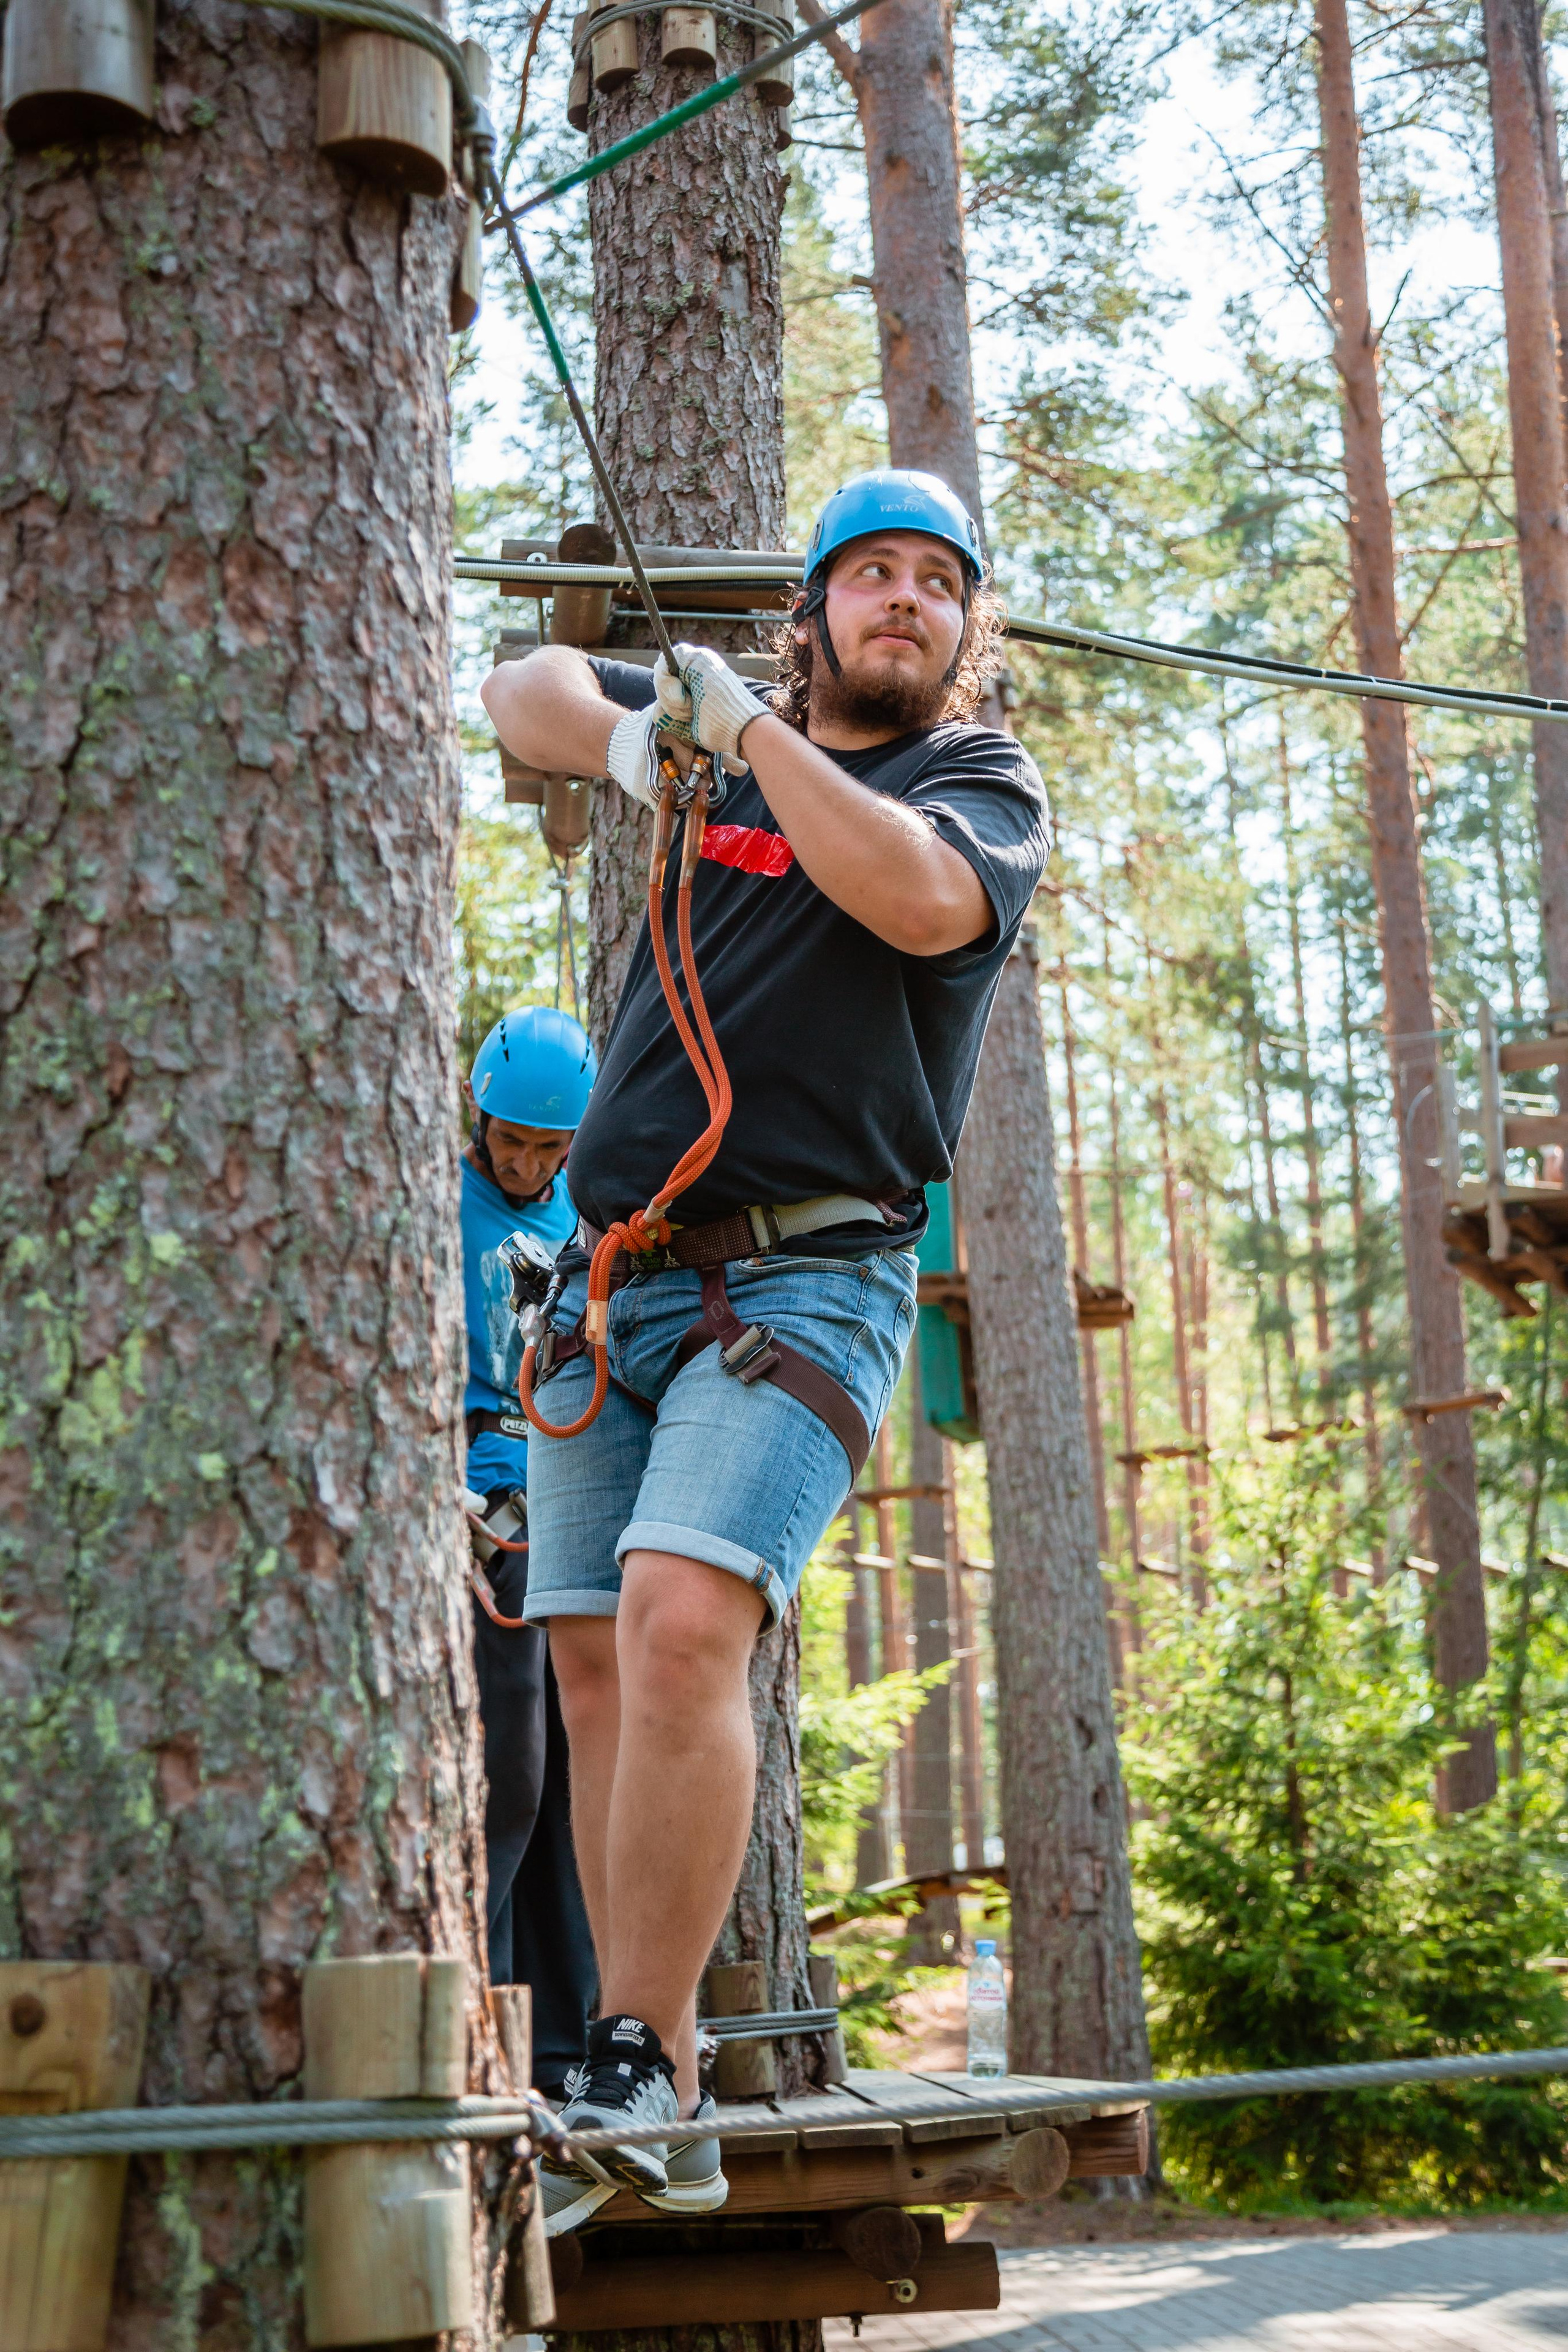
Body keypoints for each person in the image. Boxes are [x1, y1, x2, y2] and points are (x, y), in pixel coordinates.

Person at [480, 469, 1051, 2230]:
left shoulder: (971, 787)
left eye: (932, 587)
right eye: (867, 577)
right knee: (592, 1673)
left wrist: (747, 738)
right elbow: (516, 691)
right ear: (812, 614)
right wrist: (653, 739)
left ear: (961, 637)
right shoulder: (719, 744)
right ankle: (635, 2079)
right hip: (612, 1278)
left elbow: (918, 905)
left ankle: (646, 2053)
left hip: (804, 1284)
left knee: (680, 1620)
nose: (900, 604)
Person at [461, 1005, 599, 2103]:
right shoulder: (436, 1204)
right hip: (481, 1515)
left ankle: (565, 2048)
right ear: (480, 1112)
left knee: (567, 1789)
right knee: (510, 1777)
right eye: (514, 1140)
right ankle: (496, 2033)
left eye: (551, 1149)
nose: (528, 1163)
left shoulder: (577, 1221)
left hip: (565, 1509)